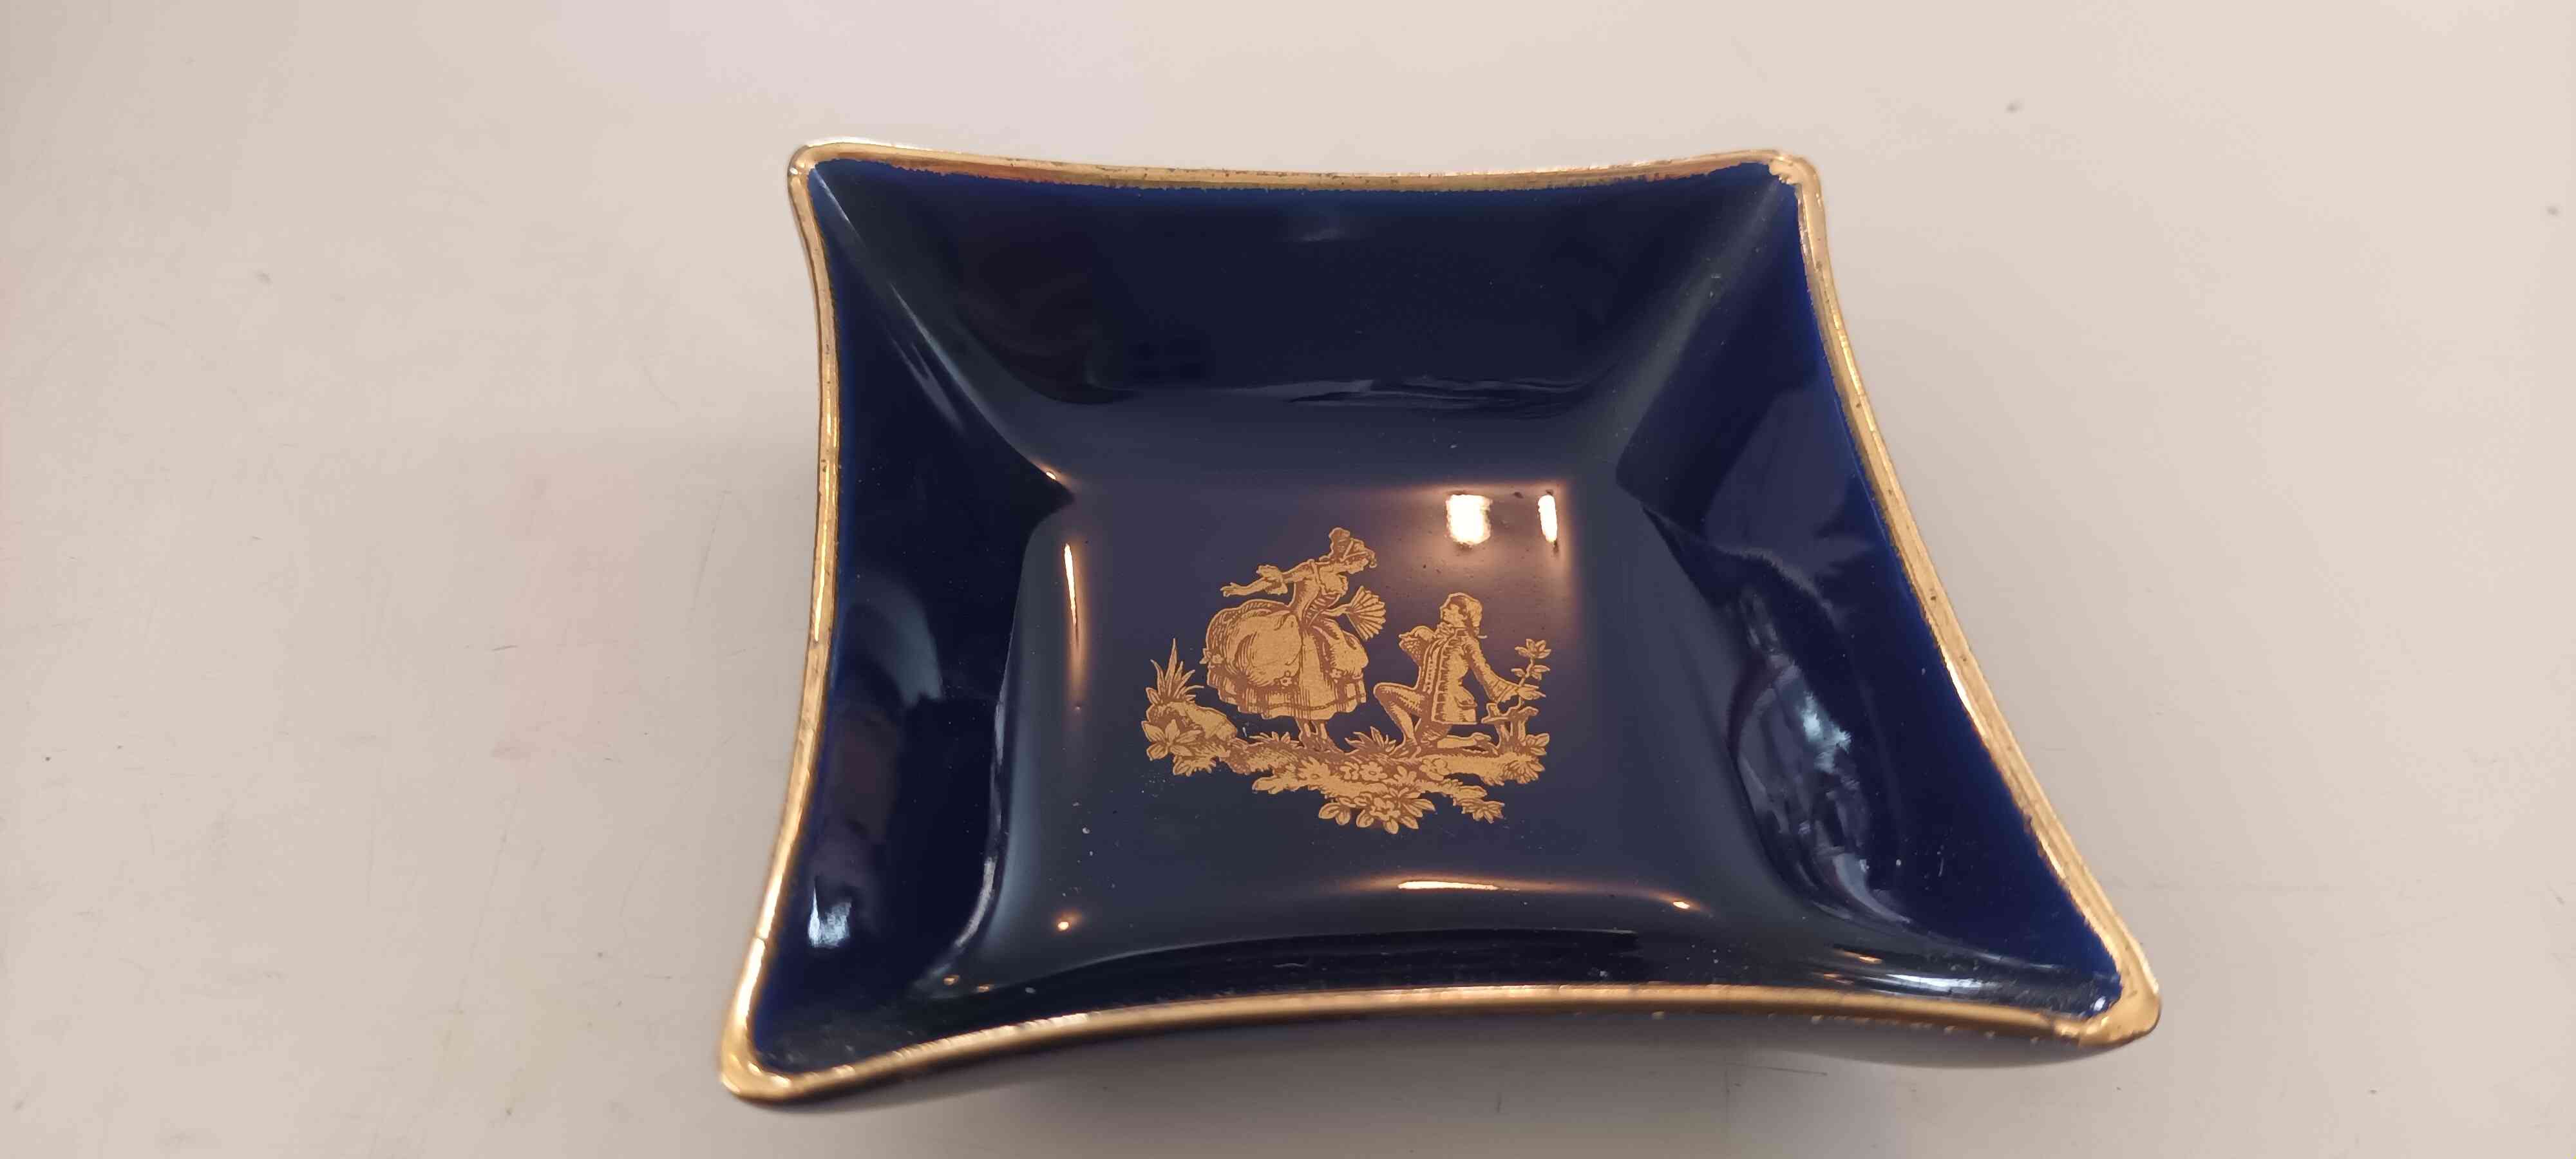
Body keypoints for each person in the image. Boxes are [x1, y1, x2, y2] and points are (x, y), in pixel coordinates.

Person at [1201, 529, 1384, 744]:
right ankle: (1306, 732)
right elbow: (1280, 578)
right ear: (1348, 559)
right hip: (1291, 627)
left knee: (1320, 685)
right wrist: (1243, 590)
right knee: (1299, 684)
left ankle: (1322, 734)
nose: (1360, 568)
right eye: (1360, 563)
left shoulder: (1341, 581)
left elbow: (1321, 609)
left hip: (1318, 629)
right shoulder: (1310, 570)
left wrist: (1341, 610)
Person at [1374, 592, 1522, 747]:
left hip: (1445, 705)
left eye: (1449, 607)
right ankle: (1470, 741)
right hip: (1426, 699)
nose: (1442, 608)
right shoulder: (1443, 638)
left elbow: (1483, 671)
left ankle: (1413, 742)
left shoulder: (1469, 642)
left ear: (1463, 615)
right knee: (1423, 742)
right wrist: (1421, 635)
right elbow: (1426, 663)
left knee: (1384, 693)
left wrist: (1516, 690)